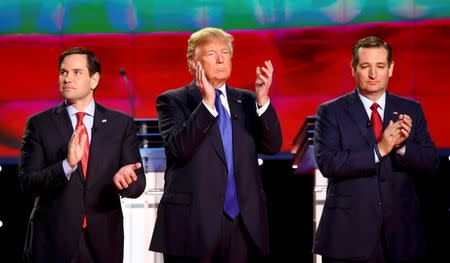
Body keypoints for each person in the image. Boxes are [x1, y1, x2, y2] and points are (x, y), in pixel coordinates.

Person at [149, 27, 282, 262]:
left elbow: (272, 147)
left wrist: (263, 101)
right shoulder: (172, 101)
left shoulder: (248, 100)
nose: (221, 59)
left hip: (243, 225)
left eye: (225, 52)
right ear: (192, 62)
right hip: (192, 225)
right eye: (211, 54)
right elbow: (180, 147)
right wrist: (208, 105)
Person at [312, 36, 440, 263]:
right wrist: (379, 150)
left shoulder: (411, 109)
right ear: (353, 68)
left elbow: (431, 162)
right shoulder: (330, 112)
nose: (373, 74)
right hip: (349, 236)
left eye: (380, 66)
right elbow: (328, 163)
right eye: (365, 66)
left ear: (391, 68)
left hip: (402, 236)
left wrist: (400, 147)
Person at [18, 47, 146, 263]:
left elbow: (138, 184)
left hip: (103, 240)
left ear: (94, 79)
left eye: (77, 72)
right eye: (63, 72)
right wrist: (67, 165)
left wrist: (125, 182)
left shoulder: (120, 124)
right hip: (52, 239)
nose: (67, 78)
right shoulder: (39, 124)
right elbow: (27, 182)